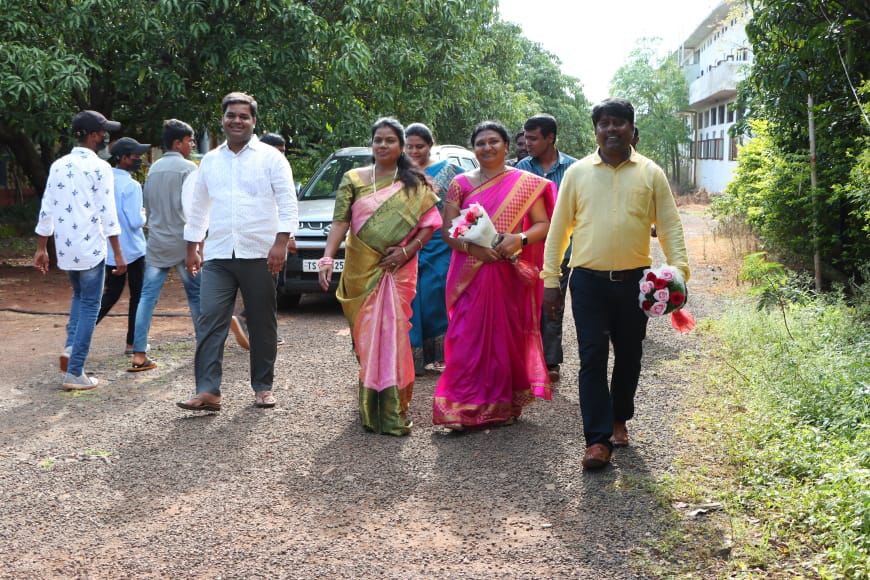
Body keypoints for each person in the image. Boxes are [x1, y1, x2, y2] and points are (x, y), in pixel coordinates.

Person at [542, 98, 690, 469]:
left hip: (635, 282)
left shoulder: (651, 173)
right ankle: (597, 440)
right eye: (604, 123)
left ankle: (619, 418)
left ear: (631, 128)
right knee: (592, 356)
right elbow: (559, 229)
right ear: (596, 130)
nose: (611, 129)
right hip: (587, 281)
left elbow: (670, 226)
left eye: (618, 122)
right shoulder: (577, 173)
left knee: (629, 354)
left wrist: (679, 273)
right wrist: (550, 279)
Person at [318, 117, 440, 436]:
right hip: (361, 270)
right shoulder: (353, 178)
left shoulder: (415, 183)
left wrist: (406, 251)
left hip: (397, 270)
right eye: (378, 140)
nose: (383, 145)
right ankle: (371, 406)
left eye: (390, 140)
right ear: (371, 144)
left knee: (394, 334)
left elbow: (429, 225)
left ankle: (392, 409)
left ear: (401, 146)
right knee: (366, 337)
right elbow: (340, 222)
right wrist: (328, 256)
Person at [178, 92, 298, 412]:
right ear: (223, 119)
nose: (237, 121)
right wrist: (192, 248)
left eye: (244, 116)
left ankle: (263, 387)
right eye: (231, 115)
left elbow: (288, 203)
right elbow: (199, 207)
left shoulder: (271, 158)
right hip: (218, 255)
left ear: (254, 121)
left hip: (260, 253)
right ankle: (208, 391)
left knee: (261, 322)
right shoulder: (210, 161)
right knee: (210, 319)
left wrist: (280, 243)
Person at [433, 121, 555, 430]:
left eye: (493, 141)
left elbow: (543, 224)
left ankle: (500, 406)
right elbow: (447, 232)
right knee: (464, 337)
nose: (487, 147)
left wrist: (519, 239)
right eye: (481, 143)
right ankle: (461, 408)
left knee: (503, 337)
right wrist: (473, 249)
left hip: (506, 271)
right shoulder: (460, 183)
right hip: (469, 272)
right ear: (473, 148)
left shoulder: (525, 183)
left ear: (506, 146)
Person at [34, 110, 126, 390]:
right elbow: (108, 214)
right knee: (89, 305)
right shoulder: (100, 167)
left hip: (66, 249)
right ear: (94, 135)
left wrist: (41, 248)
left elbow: (47, 208)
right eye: (103, 132)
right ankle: (75, 372)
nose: (105, 136)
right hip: (91, 248)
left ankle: (71, 347)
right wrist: (118, 253)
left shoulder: (58, 165)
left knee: (79, 296)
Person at [128, 119, 201, 372]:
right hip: (184, 243)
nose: (192, 145)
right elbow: (195, 211)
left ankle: (139, 353)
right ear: (177, 143)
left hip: (157, 241)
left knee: (147, 297)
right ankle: (204, 346)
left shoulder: (154, 169)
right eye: (190, 140)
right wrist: (198, 246)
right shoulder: (189, 169)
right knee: (196, 295)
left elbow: (147, 206)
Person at [515, 113, 577, 383]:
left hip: (562, 250)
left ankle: (550, 361)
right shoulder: (521, 168)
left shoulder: (574, 169)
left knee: (552, 303)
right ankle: (528, 358)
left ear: (550, 138)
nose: (527, 143)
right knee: (527, 304)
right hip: (527, 247)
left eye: (533, 138)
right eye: (526, 138)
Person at [403, 122, 464, 374]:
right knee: (410, 297)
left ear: (431, 145)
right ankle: (411, 357)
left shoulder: (450, 171)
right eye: (409, 146)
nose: (414, 151)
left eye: (420, 146)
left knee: (435, 295)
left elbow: (467, 196)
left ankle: (439, 353)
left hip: (439, 243)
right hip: (406, 241)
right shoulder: (398, 173)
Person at [230, 131, 296, 351]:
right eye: (277, 151)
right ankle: (252, 325)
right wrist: (286, 240)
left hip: (267, 241)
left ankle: (258, 330)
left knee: (265, 290)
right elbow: (277, 209)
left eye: (283, 152)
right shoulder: (259, 172)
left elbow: (285, 207)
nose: (280, 156)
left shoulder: (274, 170)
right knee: (267, 292)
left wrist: (289, 236)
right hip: (266, 243)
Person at [95, 137, 149, 355]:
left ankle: (79, 331)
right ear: (123, 158)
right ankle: (132, 343)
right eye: (135, 155)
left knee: (110, 294)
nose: (139, 159)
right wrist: (144, 214)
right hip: (133, 250)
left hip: (110, 249)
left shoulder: (104, 182)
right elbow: (136, 221)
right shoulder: (132, 185)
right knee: (138, 296)